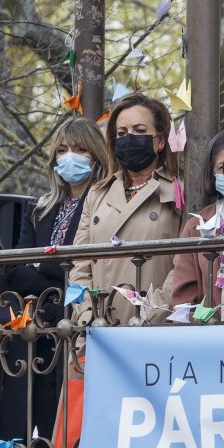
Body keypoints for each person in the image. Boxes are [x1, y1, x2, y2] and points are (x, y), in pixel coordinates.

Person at [0, 117, 107, 448]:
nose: (69, 158)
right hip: (39, 334)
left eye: (78, 149)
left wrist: (42, 270)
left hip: (79, 327)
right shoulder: (41, 209)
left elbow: (77, 271)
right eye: (61, 151)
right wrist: (50, 272)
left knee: (79, 422)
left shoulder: (102, 204)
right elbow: (15, 270)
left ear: (96, 154)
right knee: (43, 425)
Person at [70, 92, 184, 323]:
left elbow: (182, 265)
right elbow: (79, 264)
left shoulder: (179, 191)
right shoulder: (97, 193)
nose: (129, 138)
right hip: (99, 327)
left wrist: (151, 314)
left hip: (152, 326)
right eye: (122, 133)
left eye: (140, 131)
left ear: (161, 141)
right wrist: (88, 316)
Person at [169, 129, 224, 310]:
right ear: (212, 174)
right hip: (215, 334)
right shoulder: (196, 226)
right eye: (222, 167)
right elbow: (183, 302)